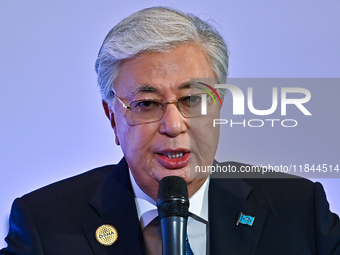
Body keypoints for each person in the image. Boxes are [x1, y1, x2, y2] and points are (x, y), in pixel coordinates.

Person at [1, 6, 340, 255]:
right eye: (147, 103)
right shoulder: (44, 223)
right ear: (112, 118)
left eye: (192, 99)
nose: (174, 125)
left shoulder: (298, 209)